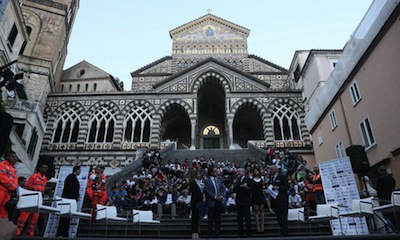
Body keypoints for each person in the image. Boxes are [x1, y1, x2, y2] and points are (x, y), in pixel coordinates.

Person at [16, 164, 49, 236]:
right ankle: (18, 230)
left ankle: (30, 232)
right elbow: (27, 186)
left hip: (38, 199)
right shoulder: (34, 177)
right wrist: (34, 190)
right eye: (44, 167)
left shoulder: (45, 179)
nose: (46, 169)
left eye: (46, 168)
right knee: (24, 215)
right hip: (31, 198)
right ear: (40, 168)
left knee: (35, 217)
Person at [56, 166, 81, 237]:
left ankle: (64, 232)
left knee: (67, 216)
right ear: (76, 170)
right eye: (79, 170)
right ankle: (61, 233)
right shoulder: (70, 178)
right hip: (68, 199)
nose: (80, 172)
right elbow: (71, 188)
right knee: (64, 216)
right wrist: (76, 196)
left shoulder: (72, 178)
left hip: (70, 199)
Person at [269, 164, 289, 236]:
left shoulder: (282, 177)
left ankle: (285, 232)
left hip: (282, 200)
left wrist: (278, 187)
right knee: (278, 217)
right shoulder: (271, 178)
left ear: (275, 170)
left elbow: (287, 186)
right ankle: (282, 230)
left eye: (271, 169)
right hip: (275, 201)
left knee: (283, 217)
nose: (270, 171)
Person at [204, 168, 224, 239]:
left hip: (218, 202)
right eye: (215, 171)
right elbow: (206, 190)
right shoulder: (207, 181)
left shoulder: (218, 180)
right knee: (211, 219)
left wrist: (221, 196)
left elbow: (221, 189)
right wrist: (214, 197)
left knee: (218, 219)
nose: (216, 172)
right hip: (211, 201)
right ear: (211, 173)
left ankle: (217, 233)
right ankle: (210, 234)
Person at [233, 168, 253, 238]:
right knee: (239, 219)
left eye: (239, 171)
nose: (238, 173)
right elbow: (234, 189)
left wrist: (246, 187)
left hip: (246, 202)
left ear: (243, 172)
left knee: (247, 218)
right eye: (237, 171)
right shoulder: (237, 180)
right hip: (239, 201)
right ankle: (240, 233)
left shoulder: (248, 179)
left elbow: (251, 189)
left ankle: (249, 233)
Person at [0, 151, 19, 219]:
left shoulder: (13, 169)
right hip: (1, 190)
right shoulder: (2, 165)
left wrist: (15, 188)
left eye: (15, 157)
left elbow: (15, 180)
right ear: (7, 157)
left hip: (8, 192)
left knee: (3, 210)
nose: (15, 158)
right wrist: (13, 187)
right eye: (13, 156)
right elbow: (2, 177)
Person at [189, 170, 204, 240]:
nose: (199, 175)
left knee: (198, 218)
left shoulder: (200, 182)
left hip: (199, 201)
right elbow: (195, 192)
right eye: (198, 174)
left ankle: (197, 232)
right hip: (195, 201)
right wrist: (201, 197)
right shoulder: (192, 182)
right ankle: (193, 233)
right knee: (194, 218)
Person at [251, 168, 265, 233]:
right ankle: (257, 225)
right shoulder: (252, 180)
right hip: (255, 195)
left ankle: (262, 225)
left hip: (260, 195)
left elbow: (263, 187)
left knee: (261, 210)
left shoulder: (261, 179)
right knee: (256, 210)